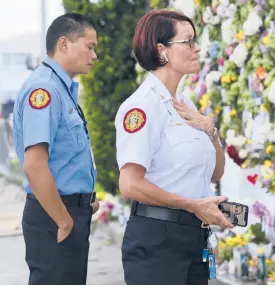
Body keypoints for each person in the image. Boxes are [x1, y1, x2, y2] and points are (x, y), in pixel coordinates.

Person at [115, 9, 234, 285]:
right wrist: (194, 205)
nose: (197, 48)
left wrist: (211, 131)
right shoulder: (141, 106)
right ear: (162, 50)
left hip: (192, 237)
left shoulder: (185, 106)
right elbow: (130, 185)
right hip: (158, 241)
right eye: (188, 41)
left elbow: (216, 174)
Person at [12, 13, 99, 284]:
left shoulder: (61, 88)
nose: (94, 55)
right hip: (54, 216)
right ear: (64, 44)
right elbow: (34, 166)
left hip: (68, 211)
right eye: (90, 46)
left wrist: (84, 199)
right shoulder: (45, 90)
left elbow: (65, 157)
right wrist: (64, 221)